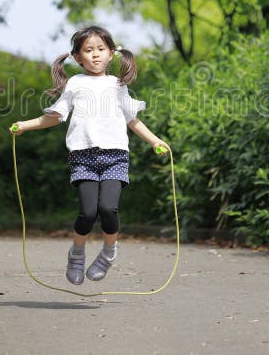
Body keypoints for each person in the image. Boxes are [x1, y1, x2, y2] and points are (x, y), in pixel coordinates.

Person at [10, 26, 169, 285]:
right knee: (87, 212)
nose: (95, 55)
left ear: (111, 54)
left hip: (115, 156)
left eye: (100, 49)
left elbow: (133, 120)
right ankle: (77, 254)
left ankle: (108, 253)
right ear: (77, 57)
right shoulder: (75, 84)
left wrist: (155, 141)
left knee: (108, 209)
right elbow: (55, 116)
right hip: (83, 157)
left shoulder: (117, 85)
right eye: (88, 50)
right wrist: (25, 125)